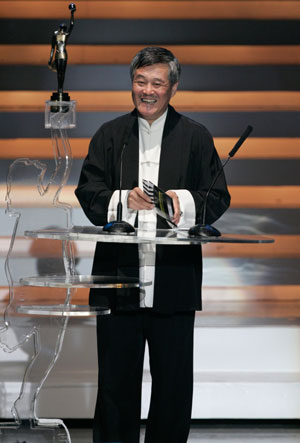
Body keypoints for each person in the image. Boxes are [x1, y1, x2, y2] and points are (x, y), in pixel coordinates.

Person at [75, 47, 230, 443]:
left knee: (174, 389)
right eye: (140, 82)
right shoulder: (110, 134)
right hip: (117, 282)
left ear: (173, 87)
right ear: (132, 84)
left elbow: (218, 197)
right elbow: (88, 191)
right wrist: (123, 200)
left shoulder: (195, 137)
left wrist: (184, 202)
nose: (147, 91)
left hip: (174, 284)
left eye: (157, 83)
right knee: (115, 386)